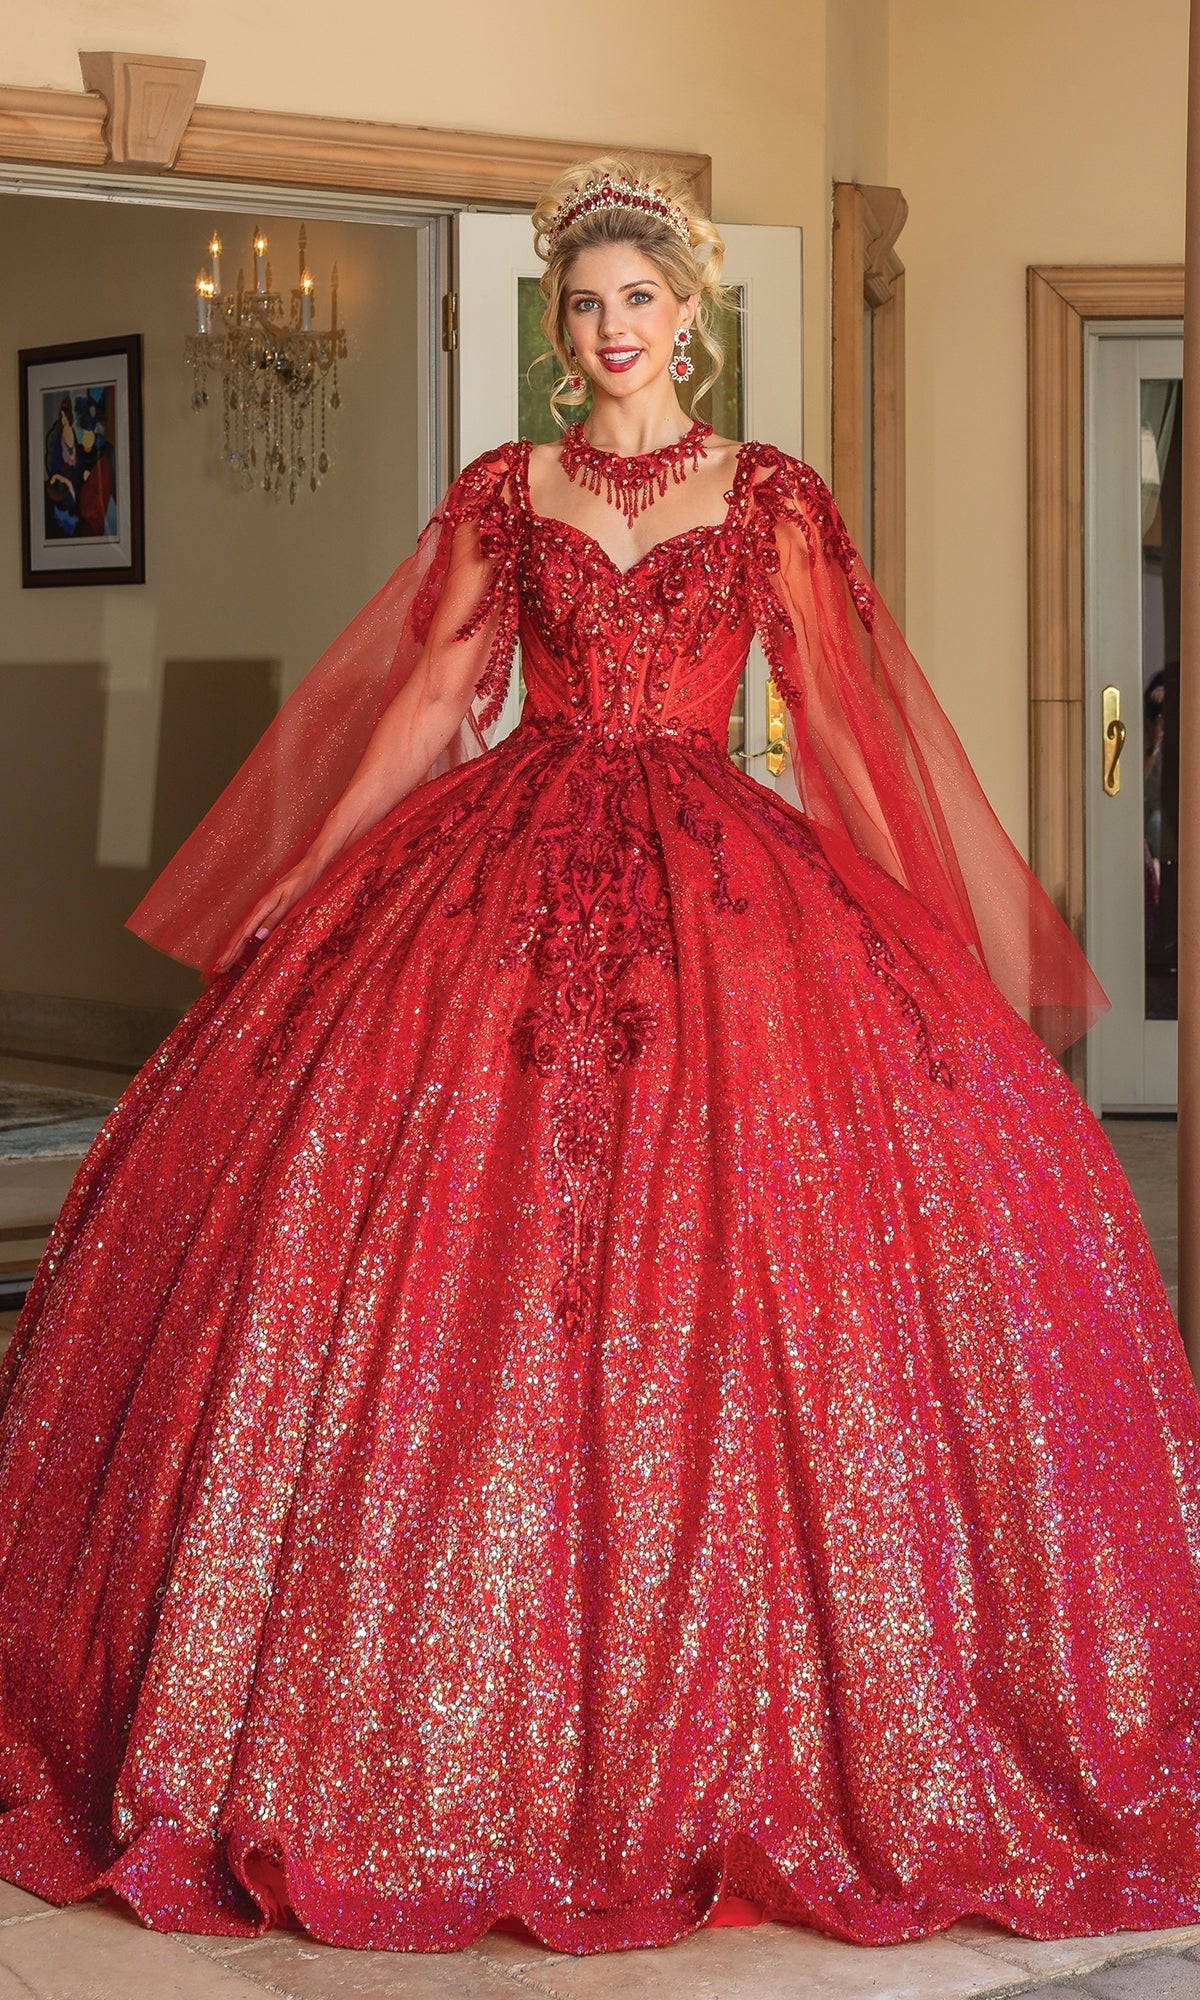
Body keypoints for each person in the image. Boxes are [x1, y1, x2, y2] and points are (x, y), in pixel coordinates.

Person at [1, 156, 1198, 1960]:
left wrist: (924, 949)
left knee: (731, 1242)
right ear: (557, 330)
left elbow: (851, 715)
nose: (611, 330)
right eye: (584, 305)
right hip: (503, 860)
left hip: (727, 886)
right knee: (453, 1238)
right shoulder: (512, 489)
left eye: (638, 300)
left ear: (691, 312)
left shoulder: (769, 494)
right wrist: (308, 892)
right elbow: (423, 707)